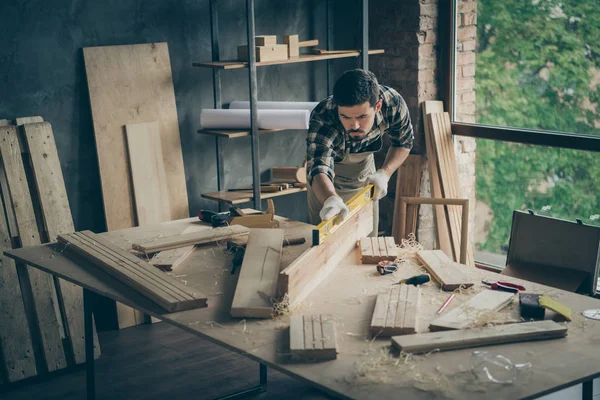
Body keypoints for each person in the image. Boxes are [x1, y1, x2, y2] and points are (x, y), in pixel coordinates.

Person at [306, 69, 414, 235]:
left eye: (362, 117)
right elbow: (319, 167)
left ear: (377, 106)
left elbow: (404, 142)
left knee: (366, 241)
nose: (354, 126)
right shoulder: (323, 116)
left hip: (365, 175)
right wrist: (330, 199)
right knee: (327, 242)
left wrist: (384, 174)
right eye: (346, 117)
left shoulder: (392, 104)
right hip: (327, 182)